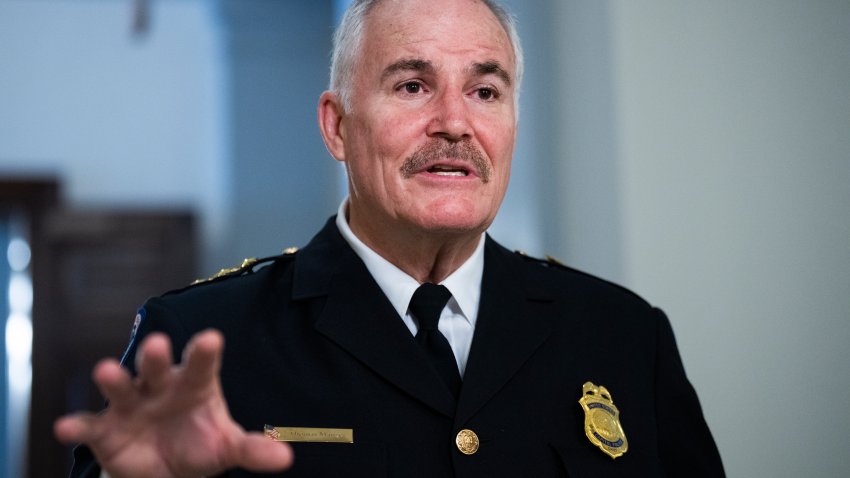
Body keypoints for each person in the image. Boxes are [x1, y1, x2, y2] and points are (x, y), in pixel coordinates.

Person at [54, 0, 725, 476]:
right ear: (337, 126)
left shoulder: (624, 336)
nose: (455, 123)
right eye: (412, 85)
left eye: (486, 92)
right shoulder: (205, 340)